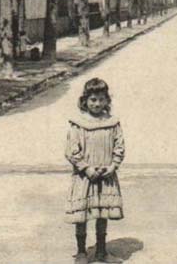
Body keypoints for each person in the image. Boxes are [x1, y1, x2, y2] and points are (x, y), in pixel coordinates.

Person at [65, 78, 125, 264]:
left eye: (100, 99)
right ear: (85, 101)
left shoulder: (113, 123)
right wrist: (86, 168)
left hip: (106, 174)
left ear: (107, 100)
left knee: (102, 213)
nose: (97, 104)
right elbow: (71, 151)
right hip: (85, 176)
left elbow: (119, 146)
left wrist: (113, 166)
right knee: (82, 214)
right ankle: (81, 252)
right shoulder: (78, 123)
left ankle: (101, 250)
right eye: (92, 100)